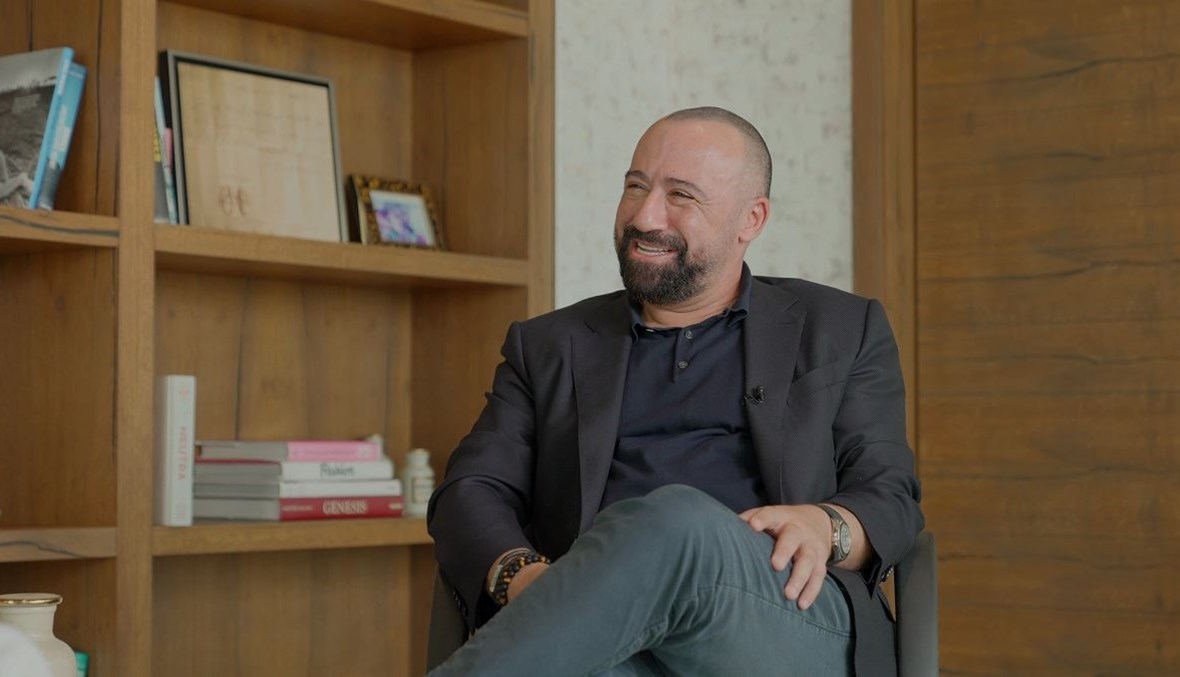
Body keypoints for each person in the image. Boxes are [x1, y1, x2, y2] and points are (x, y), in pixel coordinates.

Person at [427, 106, 923, 677]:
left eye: (681, 195)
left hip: (785, 614)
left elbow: (890, 495)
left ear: (751, 218)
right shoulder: (547, 345)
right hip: (609, 628)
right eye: (635, 186)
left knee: (674, 520)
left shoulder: (840, 327)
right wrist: (529, 579)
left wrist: (826, 525)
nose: (644, 215)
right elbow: (470, 491)